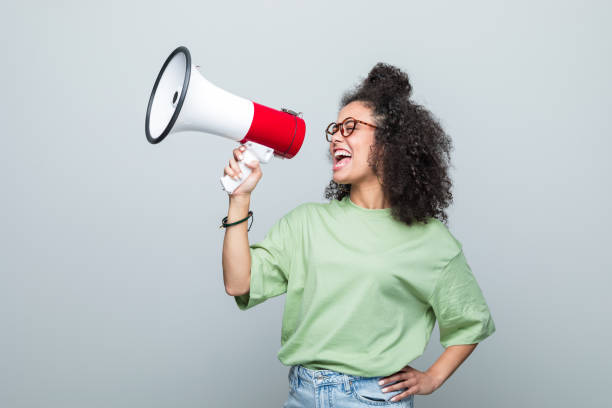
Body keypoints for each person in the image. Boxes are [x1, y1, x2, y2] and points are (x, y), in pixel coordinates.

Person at [221, 63, 496, 407]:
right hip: (302, 395)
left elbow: (471, 321)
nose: (336, 136)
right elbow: (238, 283)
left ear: (389, 142)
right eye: (335, 129)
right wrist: (239, 198)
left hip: (372, 400)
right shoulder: (306, 223)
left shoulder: (431, 240)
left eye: (350, 127)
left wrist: (432, 378)